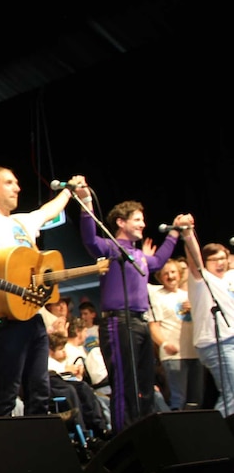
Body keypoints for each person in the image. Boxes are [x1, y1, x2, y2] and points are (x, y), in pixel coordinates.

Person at [74, 182, 190, 432]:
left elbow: (158, 261)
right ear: (120, 222)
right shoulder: (112, 249)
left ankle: (146, 430)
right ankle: (123, 436)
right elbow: (90, 240)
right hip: (118, 322)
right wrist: (86, 205)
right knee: (124, 383)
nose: (142, 224)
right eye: (137, 219)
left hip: (140, 322)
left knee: (146, 382)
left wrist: (174, 233)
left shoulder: (137, 256)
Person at [0, 167, 72, 419]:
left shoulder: (20, 222)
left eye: (16, 182)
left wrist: (69, 192)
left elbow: (47, 212)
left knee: (40, 389)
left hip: (32, 318)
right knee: (7, 393)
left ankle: (37, 448)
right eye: (9, 183)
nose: (17, 188)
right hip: (6, 320)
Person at [182, 228, 234, 417]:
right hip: (216, 343)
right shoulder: (202, 280)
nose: (220, 263)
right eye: (215, 260)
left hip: (229, 341)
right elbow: (194, 262)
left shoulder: (226, 280)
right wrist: (188, 234)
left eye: (223, 258)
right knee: (232, 395)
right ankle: (215, 439)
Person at [148, 258, 203, 409]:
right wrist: (164, 344)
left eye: (173, 272)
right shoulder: (157, 296)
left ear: (179, 274)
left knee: (195, 401)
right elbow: (153, 326)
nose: (170, 276)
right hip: (173, 356)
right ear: (160, 277)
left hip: (194, 353)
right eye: (166, 273)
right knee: (178, 400)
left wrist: (195, 308)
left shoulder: (188, 295)